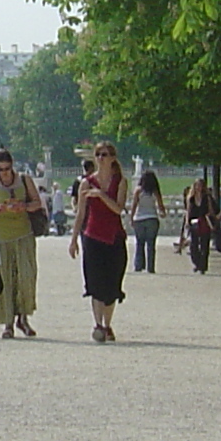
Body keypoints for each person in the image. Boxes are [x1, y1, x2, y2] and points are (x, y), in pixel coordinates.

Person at [0, 148, 43, 339]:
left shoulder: (24, 180)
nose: (5, 173)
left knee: (26, 277)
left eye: (7, 169)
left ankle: (23, 317)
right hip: (2, 238)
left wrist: (24, 206)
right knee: (5, 281)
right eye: (1, 169)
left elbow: (37, 203)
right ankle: (8, 323)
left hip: (24, 235)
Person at [71, 144, 128, 339]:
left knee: (112, 284)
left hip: (114, 237)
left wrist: (101, 195)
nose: (101, 158)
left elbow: (119, 209)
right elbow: (80, 213)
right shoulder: (86, 183)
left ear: (112, 158)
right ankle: (98, 325)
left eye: (104, 155)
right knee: (95, 283)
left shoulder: (120, 182)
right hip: (92, 237)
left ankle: (108, 323)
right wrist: (73, 240)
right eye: (98, 155)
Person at [128, 168, 166, 274]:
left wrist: (131, 218)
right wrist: (162, 212)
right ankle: (150, 267)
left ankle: (139, 265)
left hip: (139, 218)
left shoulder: (138, 190)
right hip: (152, 218)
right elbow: (160, 205)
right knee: (151, 244)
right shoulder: (155, 191)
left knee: (140, 243)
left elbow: (134, 205)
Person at [183, 174, 219, 273]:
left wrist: (210, 215)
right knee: (193, 245)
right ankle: (197, 262)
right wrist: (187, 221)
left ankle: (203, 266)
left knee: (204, 245)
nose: (198, 187)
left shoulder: (206, 197)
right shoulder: (191, 198)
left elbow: (211, 210)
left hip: (204, 222)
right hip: (194, 222)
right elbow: (188, 210)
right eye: (197, 185)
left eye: (200, 185)